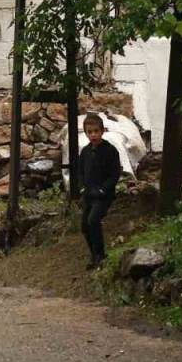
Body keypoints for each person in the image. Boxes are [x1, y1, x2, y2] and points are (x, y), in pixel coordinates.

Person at [74, 113, 122, 269]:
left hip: (103, 196)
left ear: (102, 131)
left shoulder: (110, 151)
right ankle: (94, 255)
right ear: (86, 133)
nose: (93, 135)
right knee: (84, 226)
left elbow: (115, 173)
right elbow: (80, 172)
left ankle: (101, 255)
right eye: (90, 132)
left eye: (96, 131)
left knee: (93, 221)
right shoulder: (85, 152)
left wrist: (103, 189)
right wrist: (82, 187)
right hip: (88, 194)